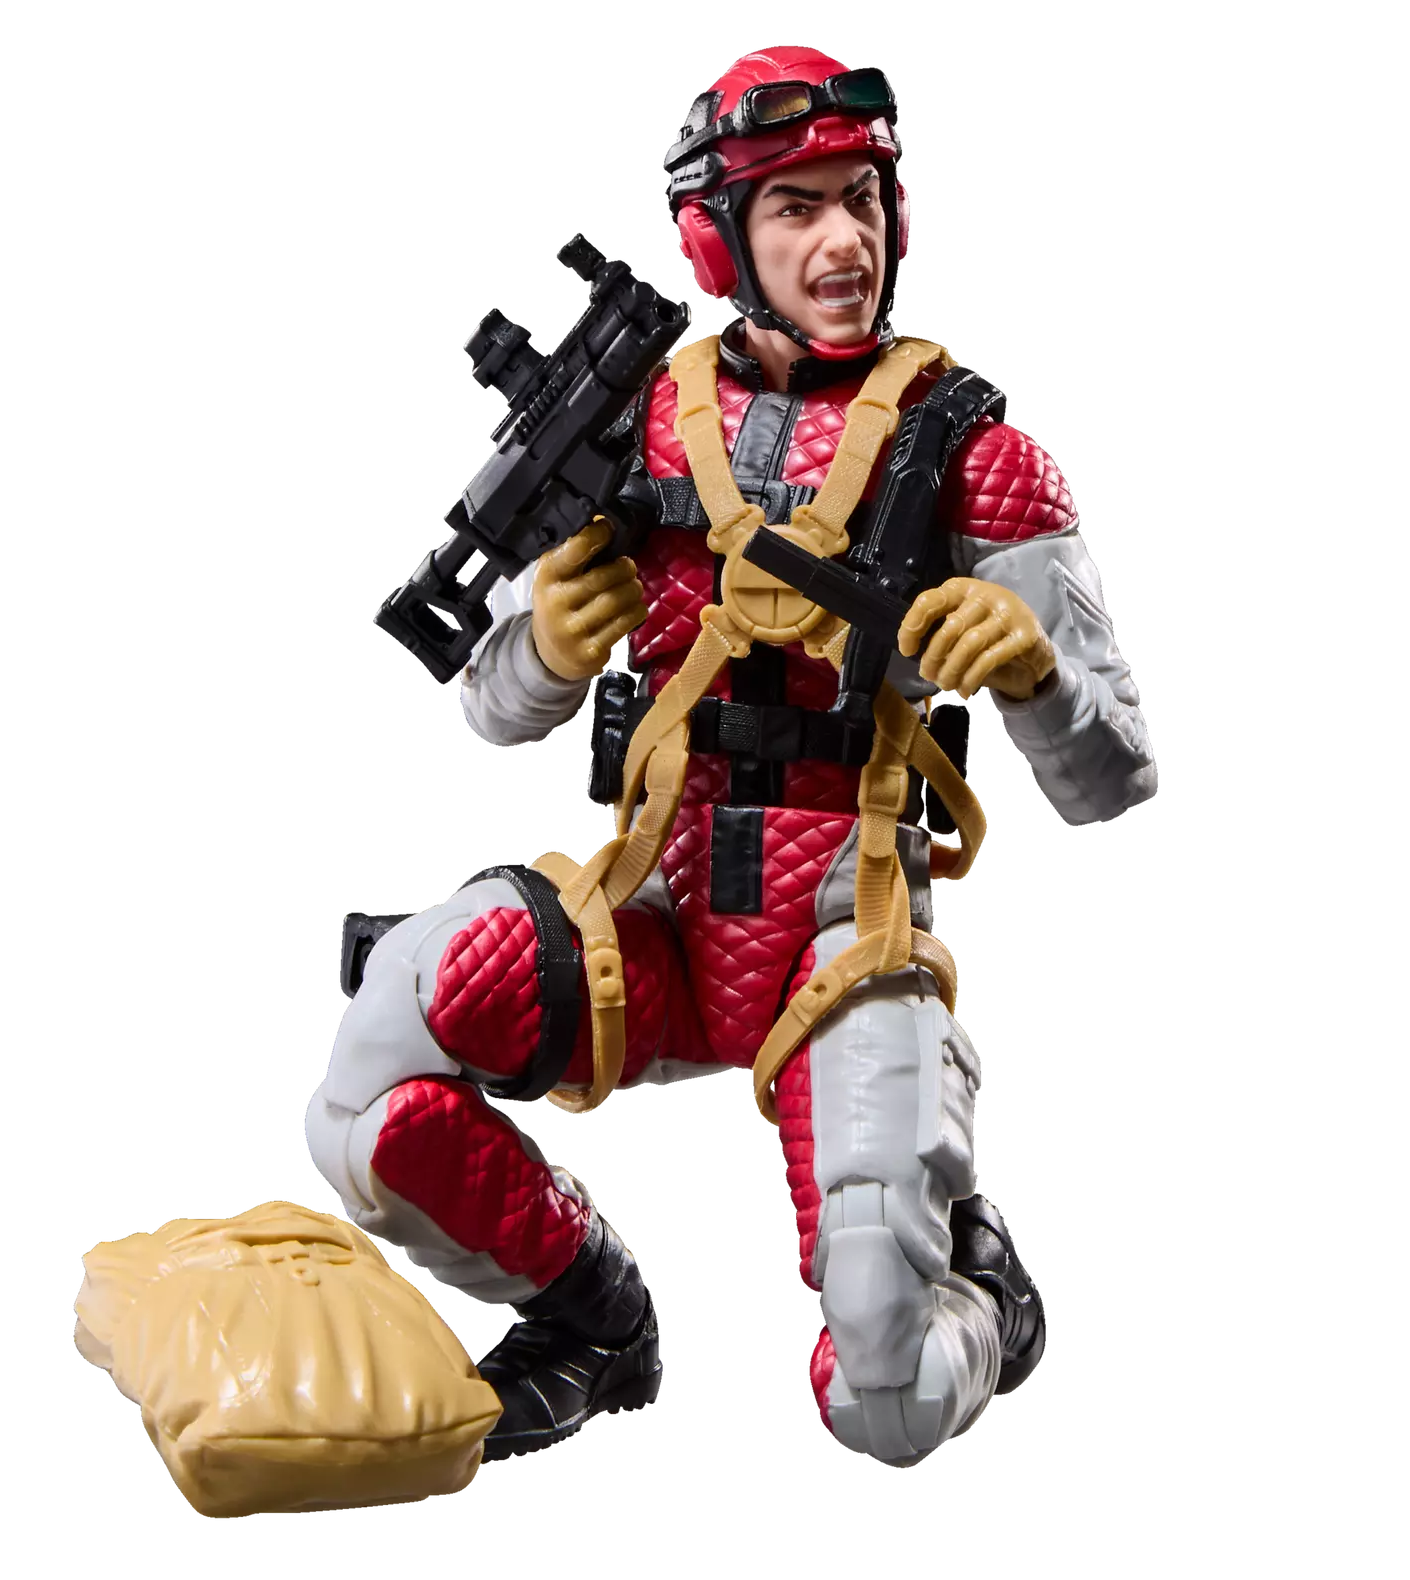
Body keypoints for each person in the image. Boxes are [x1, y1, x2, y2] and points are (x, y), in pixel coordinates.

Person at [305, 42, 1158, 1470]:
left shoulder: (980, 455)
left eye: (861, 200)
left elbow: (1114, 777)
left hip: (842, 934)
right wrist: (548, 647)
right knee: (370, 1079)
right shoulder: (626, 416)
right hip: (654, 913)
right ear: (720, 239)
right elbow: (491, 712)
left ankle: (991, 1295)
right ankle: (589, 1320)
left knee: (889, 1396)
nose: (843, 244)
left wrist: (1032, 671)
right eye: (796, 208)